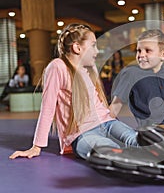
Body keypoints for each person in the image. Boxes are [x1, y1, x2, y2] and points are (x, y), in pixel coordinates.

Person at [9, 23, 138, 160]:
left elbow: (98, 102)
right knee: (109, 150)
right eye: (93, 45)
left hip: (107, 123)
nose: (97, 51)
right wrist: (36, 146)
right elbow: (48, 106)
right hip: (82, 134)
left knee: (135, 140)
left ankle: (158, 152)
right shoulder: (57, 66)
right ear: (77, 47)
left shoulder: (89, 66)